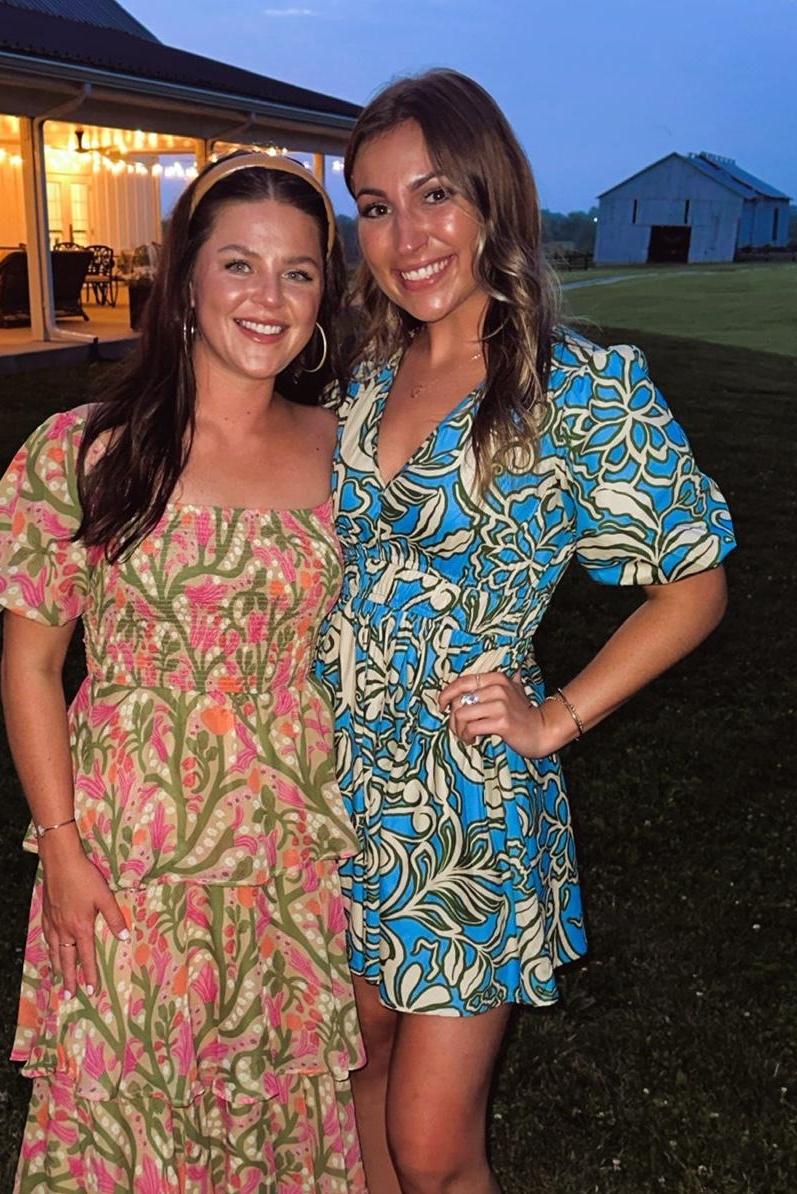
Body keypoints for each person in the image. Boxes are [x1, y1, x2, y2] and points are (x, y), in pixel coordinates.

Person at [317, 70, 737, 1194]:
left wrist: (556, 718)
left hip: (464, 804)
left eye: (435, 195)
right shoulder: (360, 379)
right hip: (331, 786)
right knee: (354, 1079)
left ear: (493, 198)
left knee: (431, 1146)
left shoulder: (578, 391)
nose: (406, 237)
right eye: (375, 207)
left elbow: (695, 584)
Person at [0, 151, 367, 1193]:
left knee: (271, 1109)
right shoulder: (87, 450)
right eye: (239, 264)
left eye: (297, 272)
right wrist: (60, 850)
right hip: (126, 852)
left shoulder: (351, 454)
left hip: (285, 855)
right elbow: (31, 667)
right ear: (185, 280)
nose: (268, 297)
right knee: (121, 1111)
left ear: (325, 296)